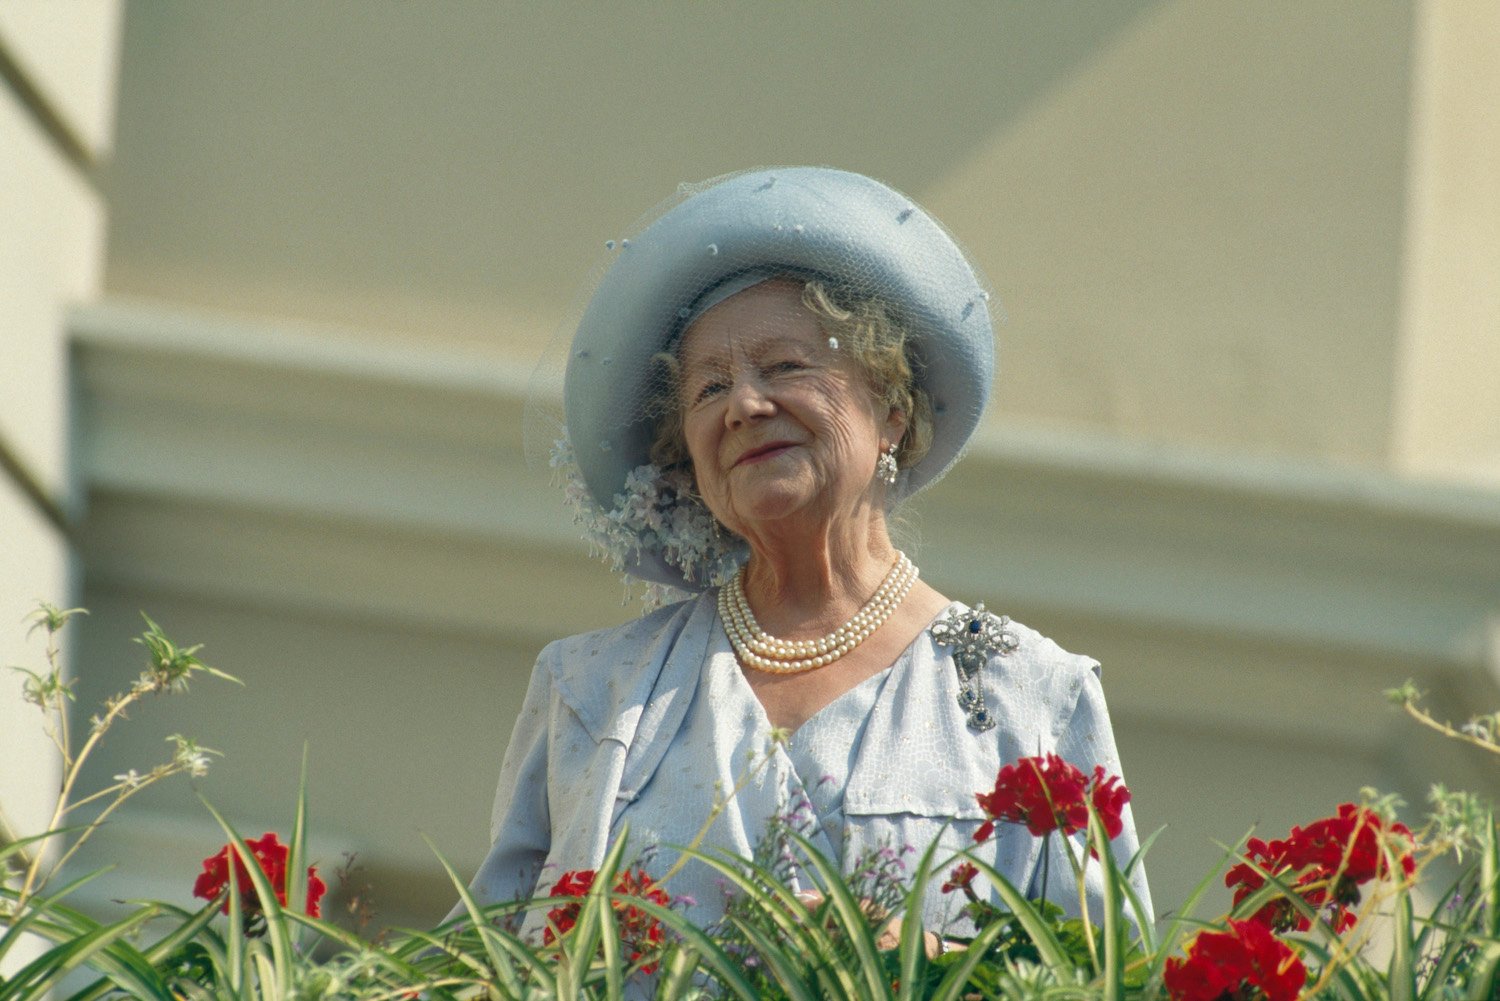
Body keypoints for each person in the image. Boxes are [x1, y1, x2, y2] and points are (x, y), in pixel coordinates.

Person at [462, 167, 1152, 946]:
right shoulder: (590, 693)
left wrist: (926, 968)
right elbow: (484, 963)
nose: (746, 405)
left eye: (786, 367)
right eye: (709, 389)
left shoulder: (1032, 697)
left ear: (893, 407)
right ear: (686, 456)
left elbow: (1107, 975)